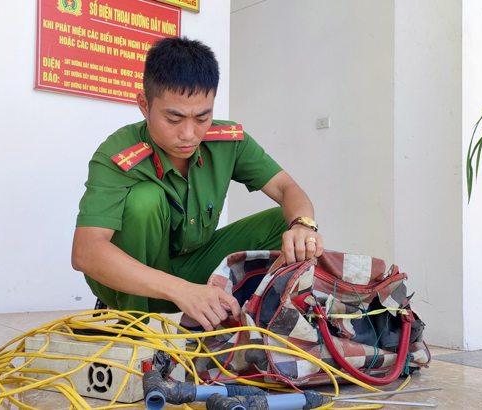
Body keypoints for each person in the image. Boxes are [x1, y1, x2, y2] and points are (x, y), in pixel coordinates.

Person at [71, 37, 324, 331]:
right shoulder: (117, 155)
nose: (189, 134)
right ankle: (133, 325)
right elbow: (86, 251)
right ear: (144, 105)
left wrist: (304, 225)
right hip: (130, 284)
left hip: (195, 268)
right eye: (173, 119)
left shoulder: (227, 141)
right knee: (144, 200)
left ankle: (247, 318)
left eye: (202, 117)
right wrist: (180, 291)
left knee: (285, 224)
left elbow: (286, 188)